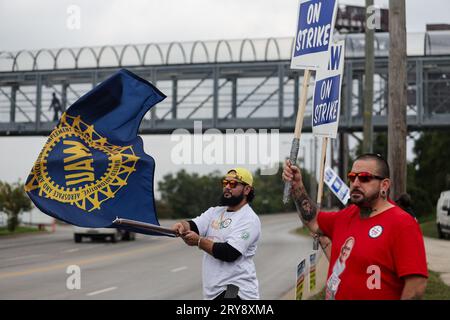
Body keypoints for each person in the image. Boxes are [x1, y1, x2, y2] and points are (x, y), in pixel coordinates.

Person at [282, 153, 428, 300]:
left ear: (384, 185)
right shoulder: (346, 215)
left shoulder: (402, 224)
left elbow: (416, 285)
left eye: (364, 178)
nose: (356, 183)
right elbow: (313, 220)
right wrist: (297, 186)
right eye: (352, 177)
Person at [171, 167, 261, 300]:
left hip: (235, 290)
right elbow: (193, 225)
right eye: (225, 183)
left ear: (247, 190)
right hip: (214, 291)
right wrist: (182, 225)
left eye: (233, 184)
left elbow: (230, 253)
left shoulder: (249, 219)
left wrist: (199, 241)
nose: (227, 187)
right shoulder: (215, 212)